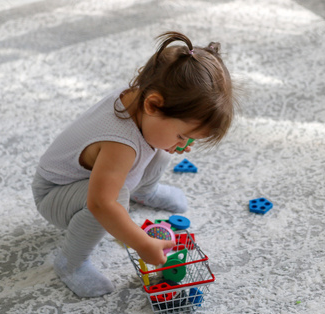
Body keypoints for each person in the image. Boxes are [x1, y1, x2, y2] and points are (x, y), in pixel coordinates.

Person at [31, 31, 236, 298]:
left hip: (86, 179)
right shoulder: (120, 144)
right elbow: (100, 204)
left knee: (161, 150)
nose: (184, 144)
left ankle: (145, 191)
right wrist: (141, 243)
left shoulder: (142, 100)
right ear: (153, 104)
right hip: (54, 195)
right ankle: (71, 264)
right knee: (111, 201)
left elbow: (157, 138)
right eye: (182, 135)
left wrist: (173, 139)